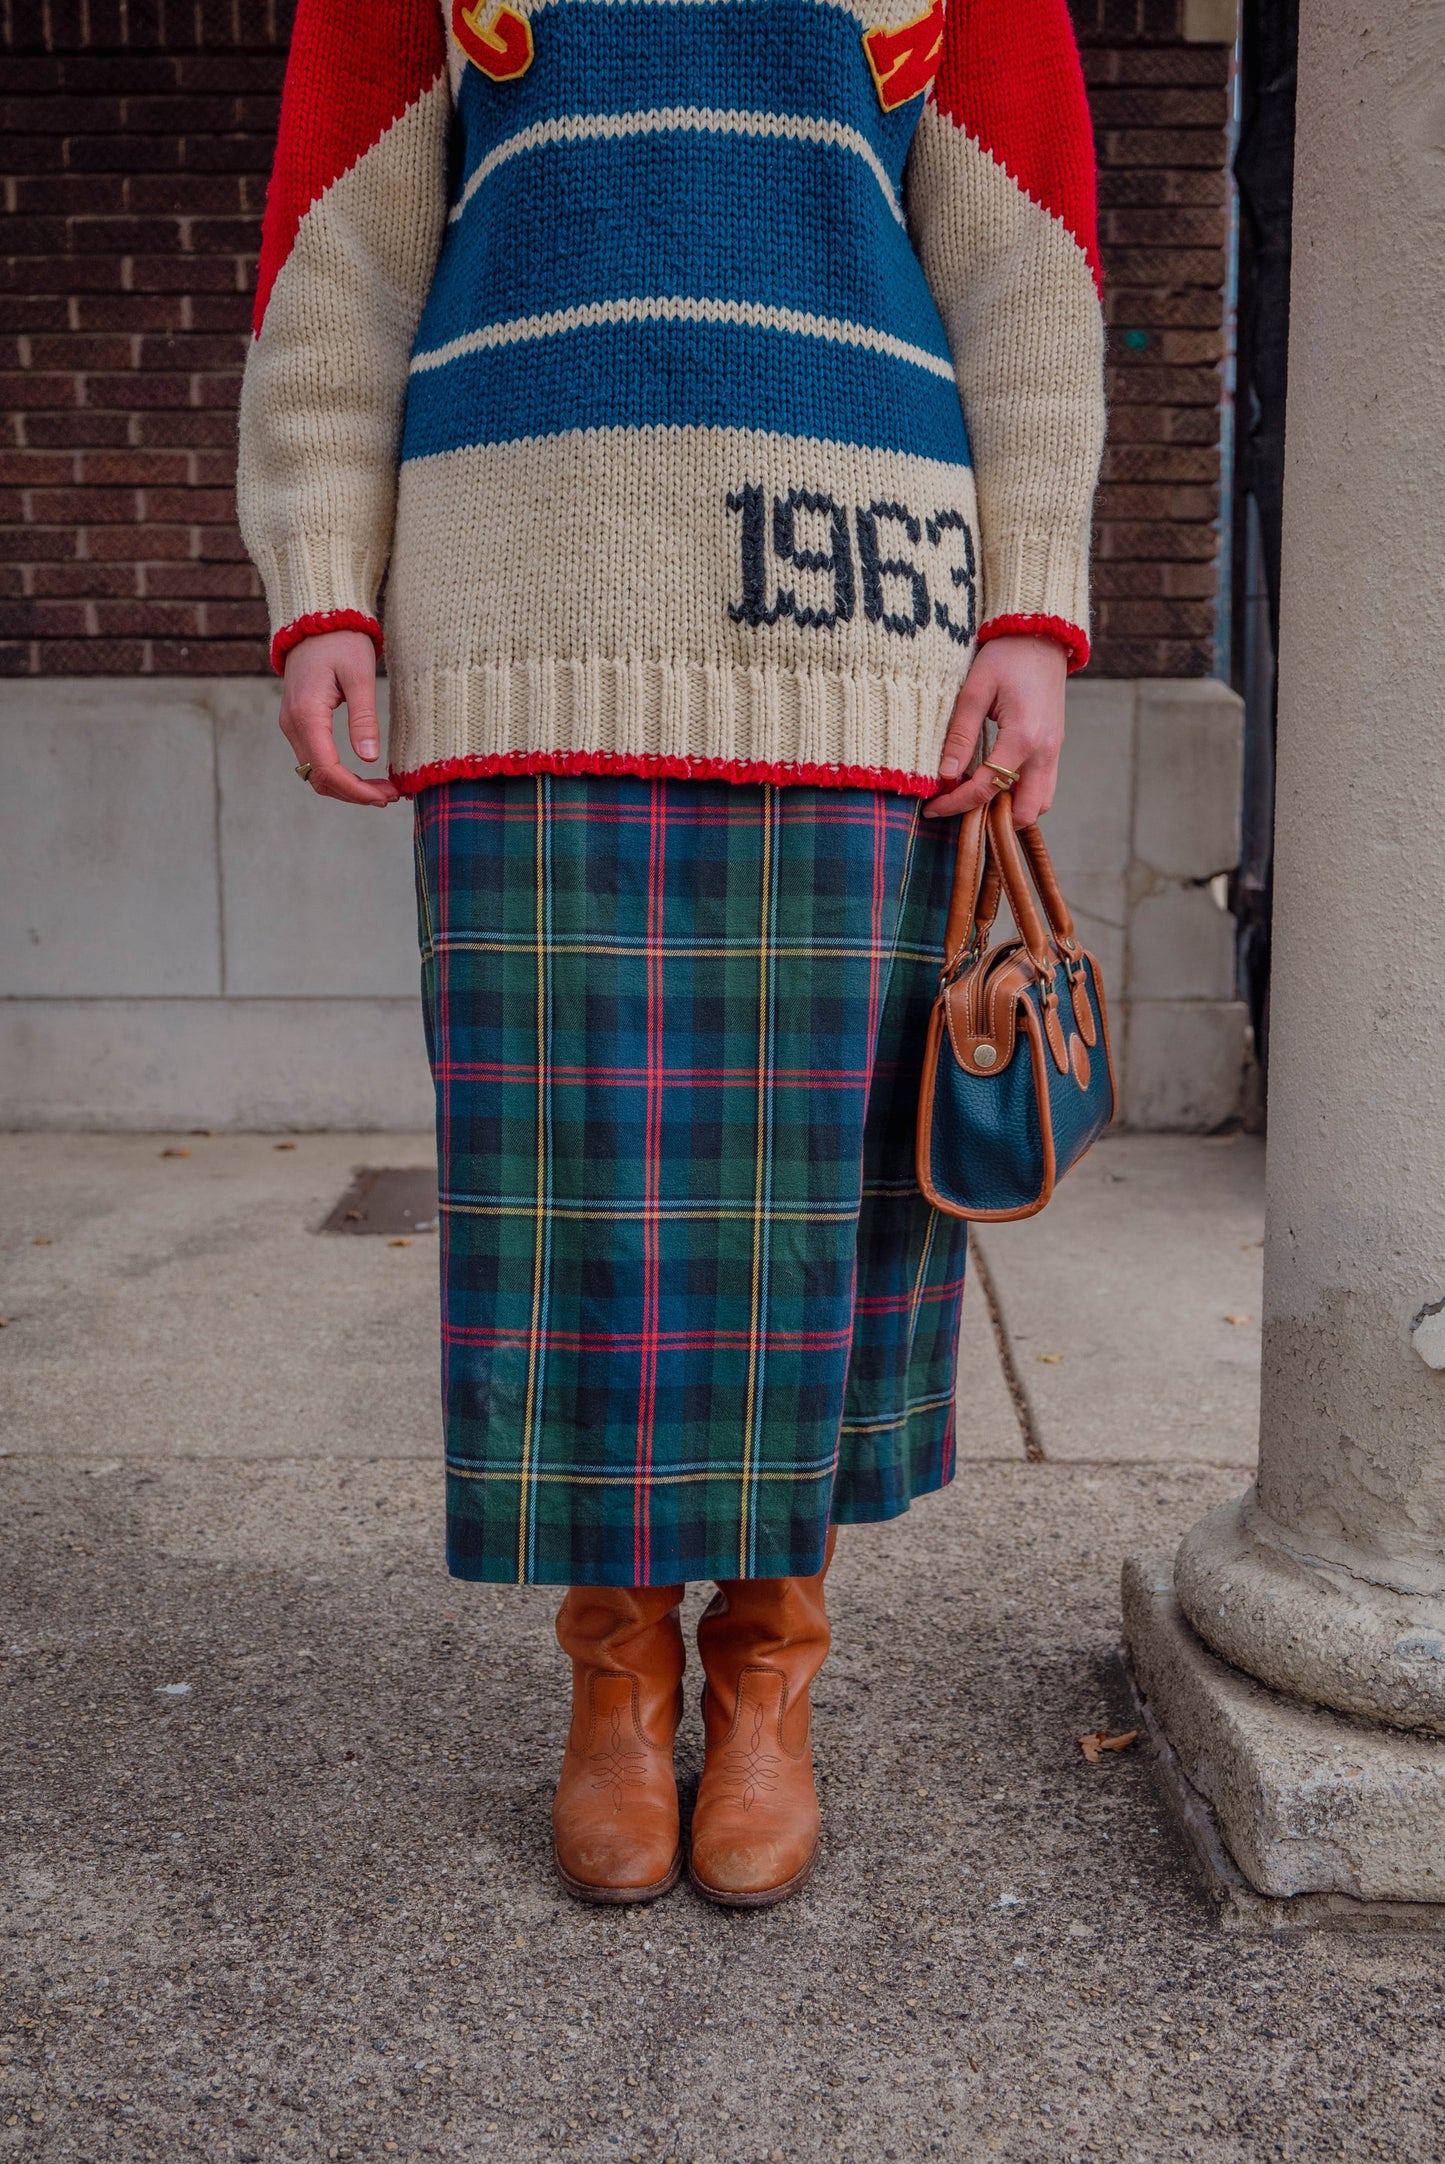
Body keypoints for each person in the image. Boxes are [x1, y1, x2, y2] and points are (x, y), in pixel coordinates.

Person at [238, 0, 1103, 1908]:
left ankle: (768, 1670)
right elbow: (345, 239)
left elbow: (1020, 250)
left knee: (834, 1206)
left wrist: (1032, 599)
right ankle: (617, 1680)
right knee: (575, 1205)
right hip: (518, 597)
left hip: (857, 606)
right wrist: (318, 573)